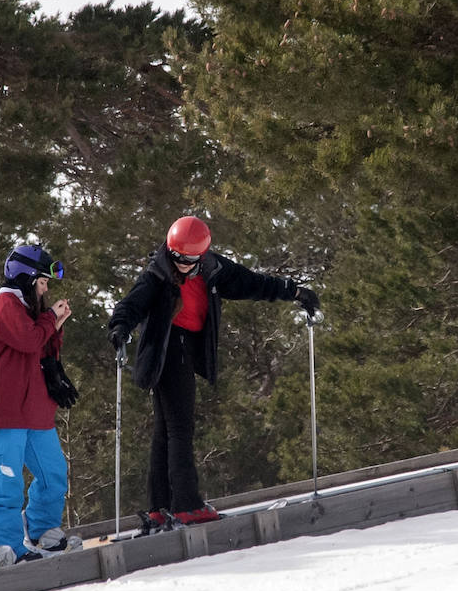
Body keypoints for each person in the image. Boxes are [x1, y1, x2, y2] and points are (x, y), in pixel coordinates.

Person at [107, 216, 322, 528]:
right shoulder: (157, 273)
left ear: (200, 257)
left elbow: (253, 283)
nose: (179, 265)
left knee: (166, 430)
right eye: (176, 258)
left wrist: (296, 292)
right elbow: (130, 305)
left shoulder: (213, 268)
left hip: (184, 349)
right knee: (179, 428)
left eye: (187, 261)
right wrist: (119, 329)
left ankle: (160, 506)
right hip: (168, 351)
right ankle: (187, 505)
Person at [0, 244, 83, 570]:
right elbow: (28, 340)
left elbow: (40, 347)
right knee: (8, 481)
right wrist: (49, 318)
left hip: (33, 409)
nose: (45, 289)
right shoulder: (5, 304)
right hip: (4, 410)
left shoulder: (29, 309)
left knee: (53, 474)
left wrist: (55, 324)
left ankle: (41, 531)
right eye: (43, 282)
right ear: (27, 278)